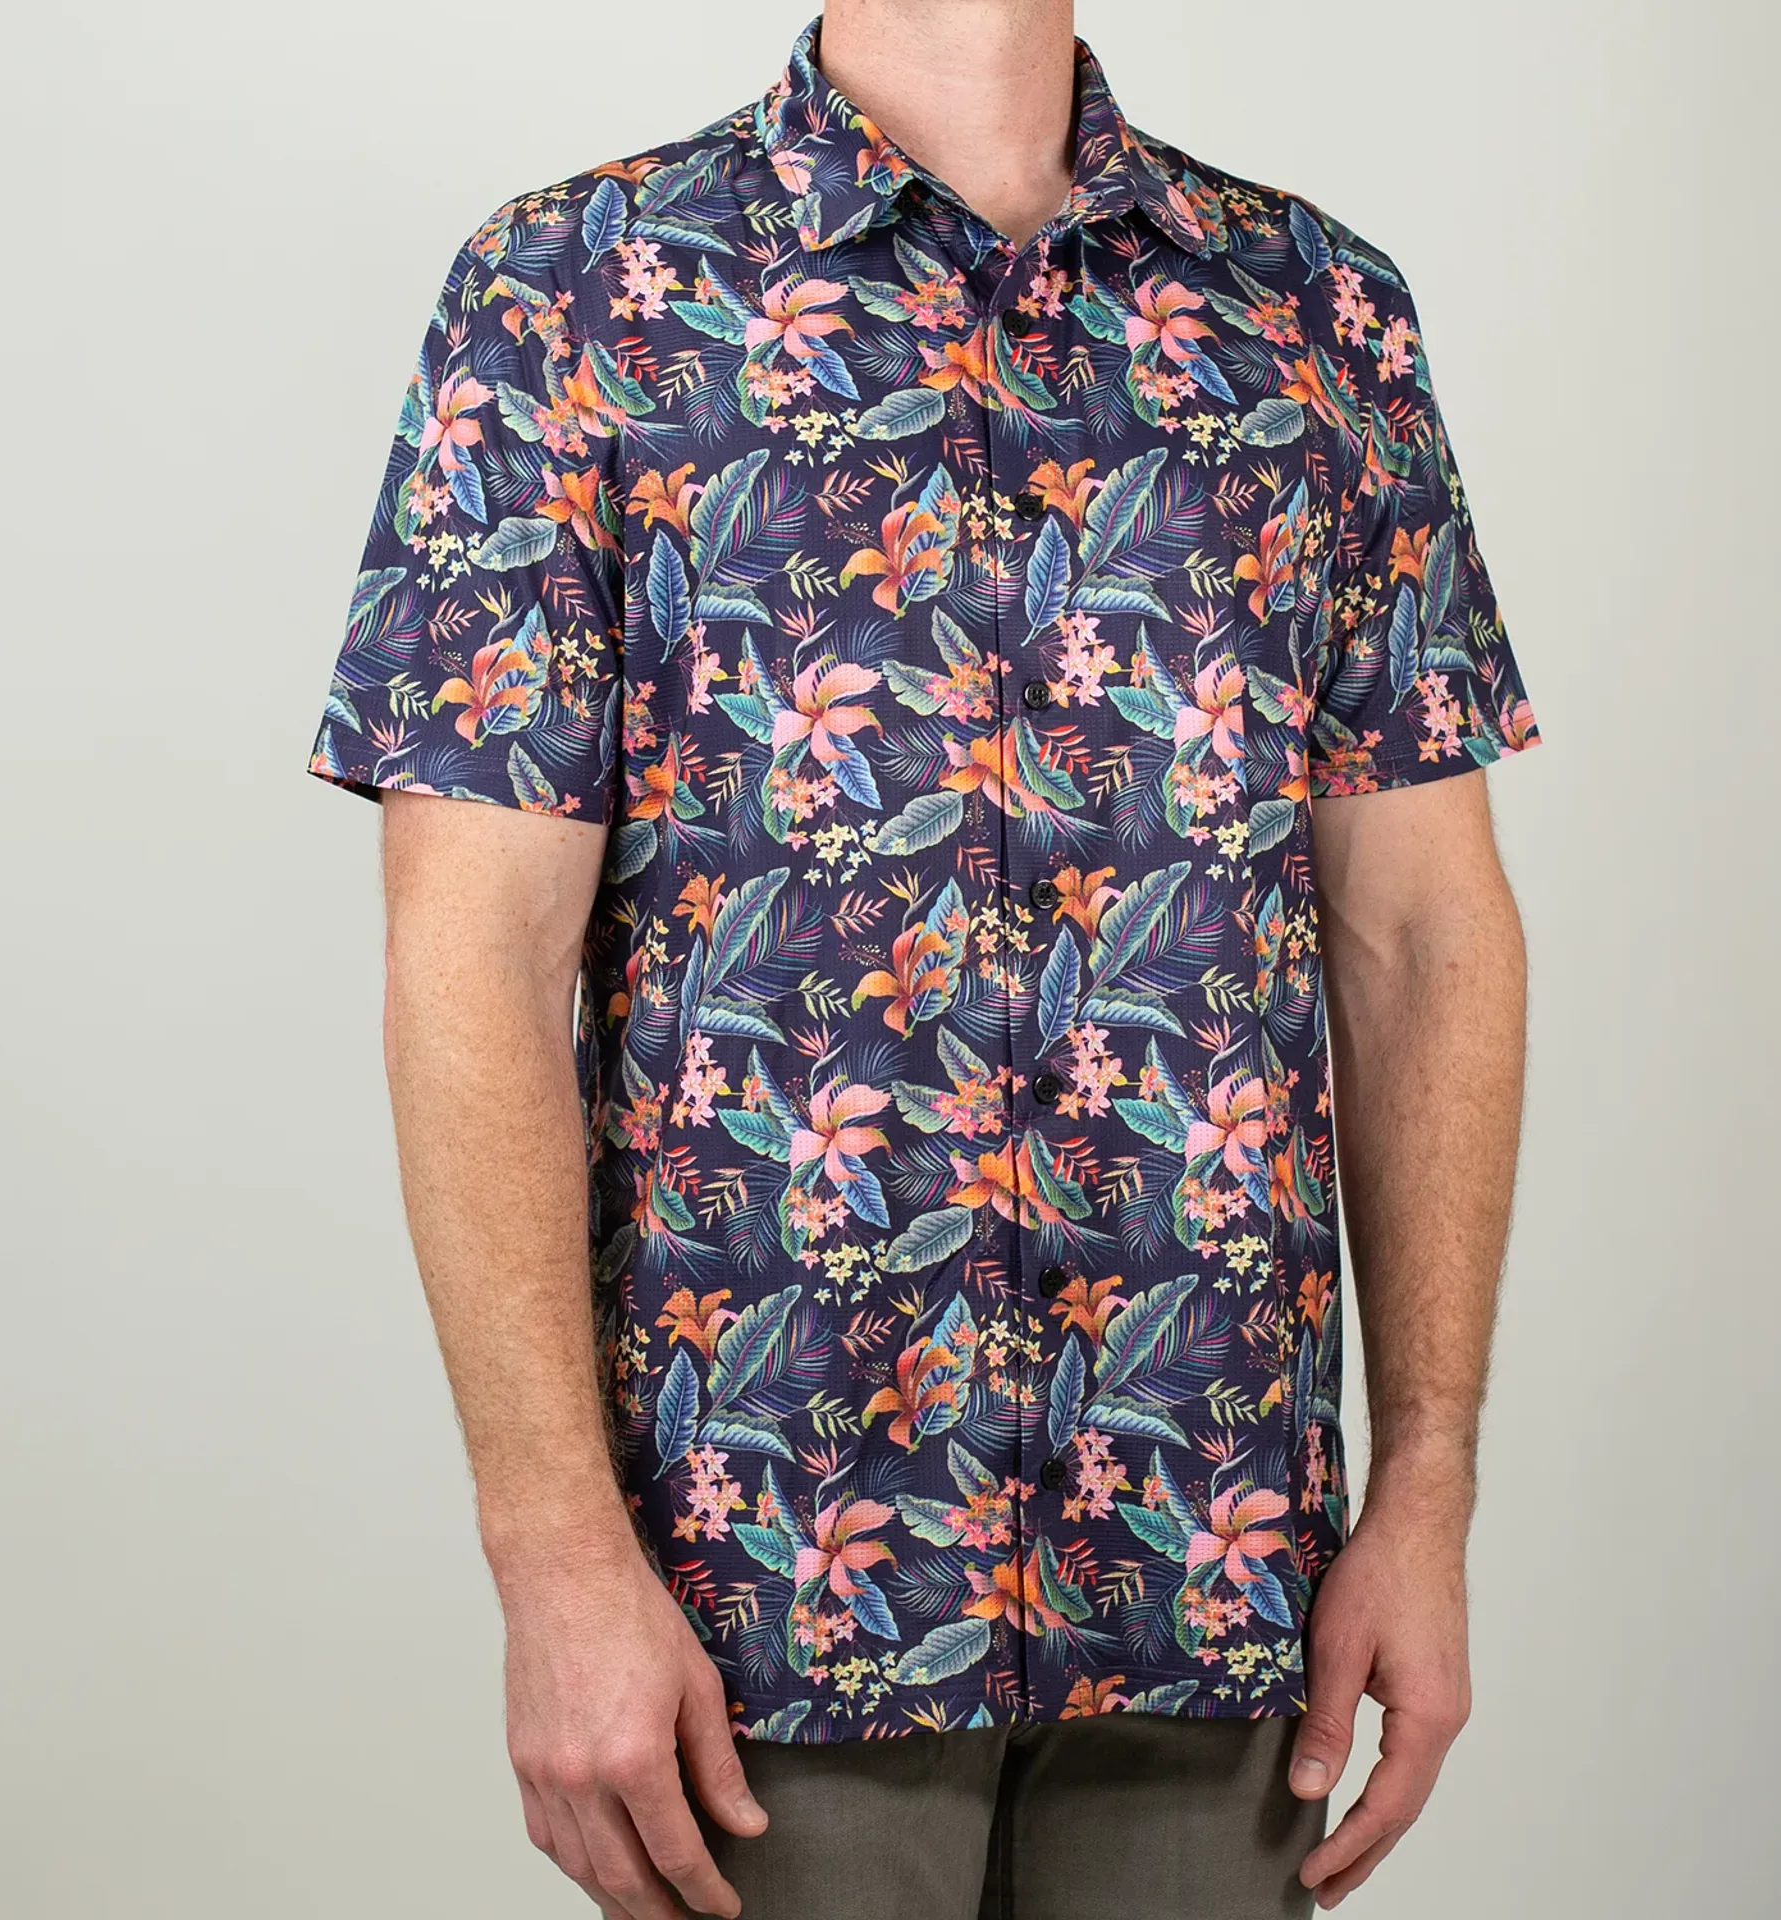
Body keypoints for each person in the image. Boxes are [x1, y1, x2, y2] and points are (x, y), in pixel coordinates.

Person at [307, 3, 1540, 1913]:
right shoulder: (574, 290)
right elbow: (474, 964)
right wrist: (551, 1554)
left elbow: (1423, 937)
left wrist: (1429, 1485)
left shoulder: (1317, 309)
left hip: (1219, 1579)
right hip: (763, 1601)